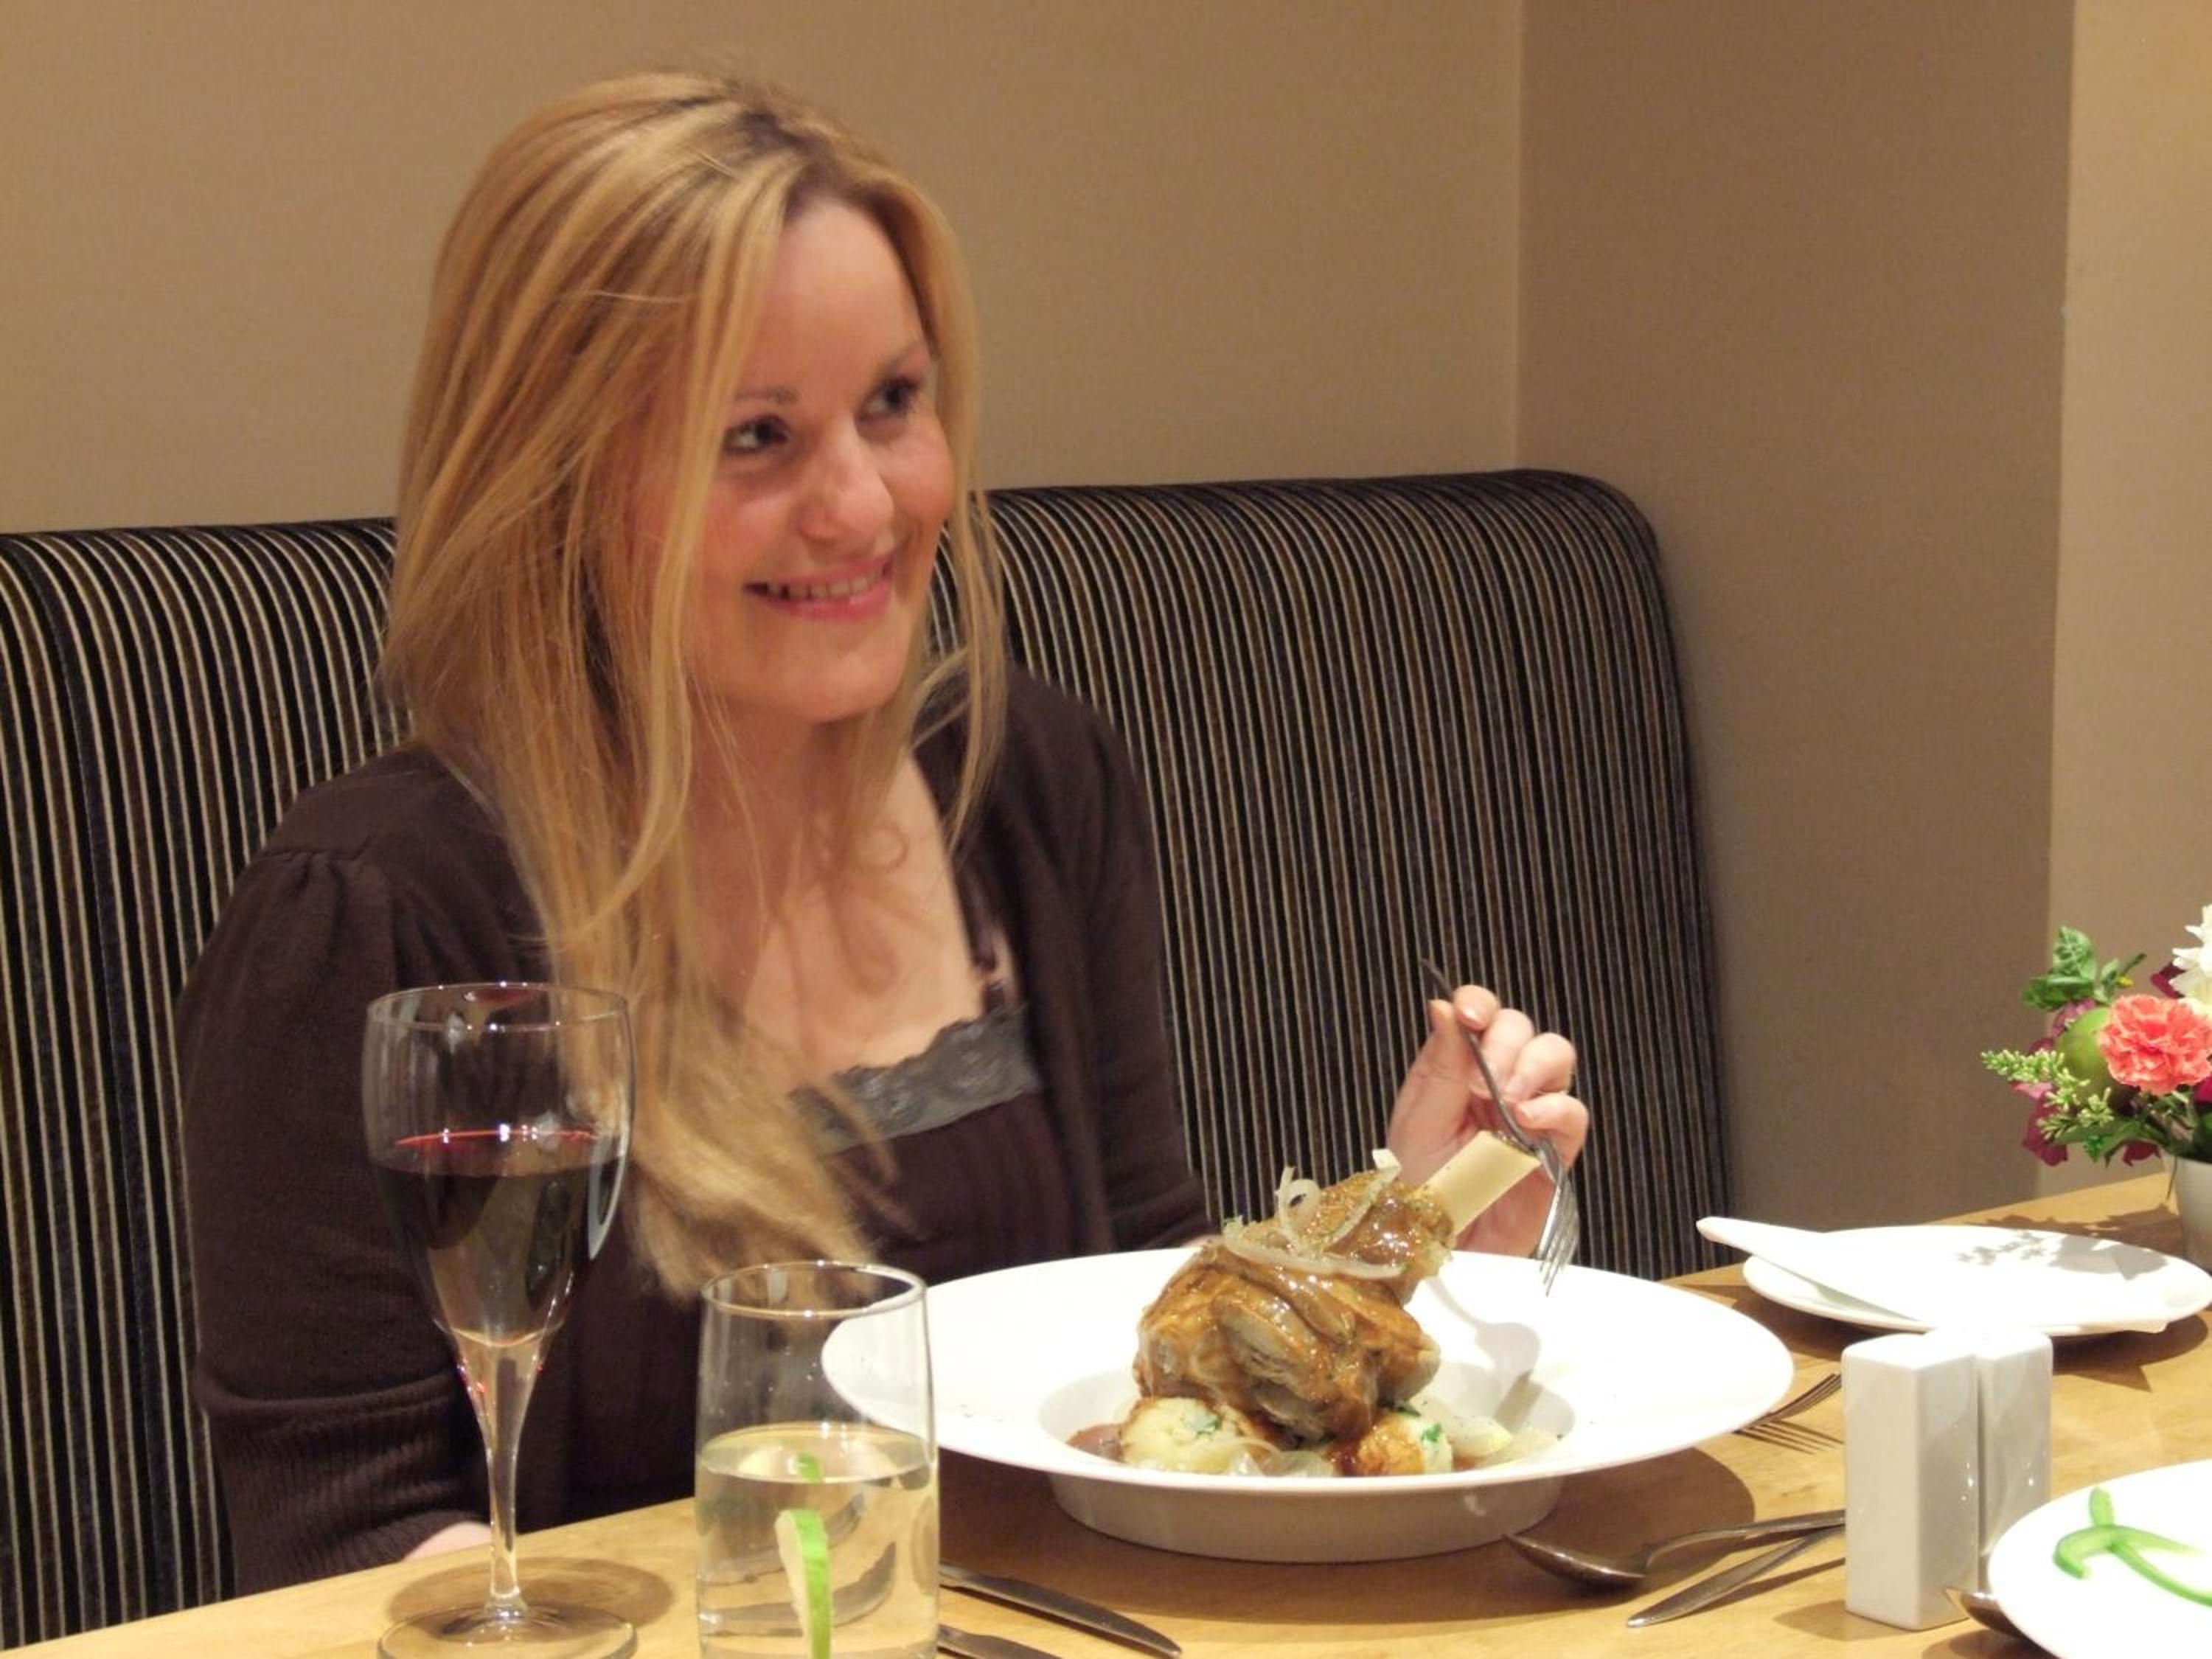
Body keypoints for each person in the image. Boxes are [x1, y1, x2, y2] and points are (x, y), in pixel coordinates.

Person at [178, 69, 1588, 1593]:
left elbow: (1135, 1366)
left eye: (893, 405)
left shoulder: (1028, 782)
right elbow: (352, 1543)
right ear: (559, 484)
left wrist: (1392, 1237)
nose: (860, 505)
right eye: (757, 435)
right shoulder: (372, 915)